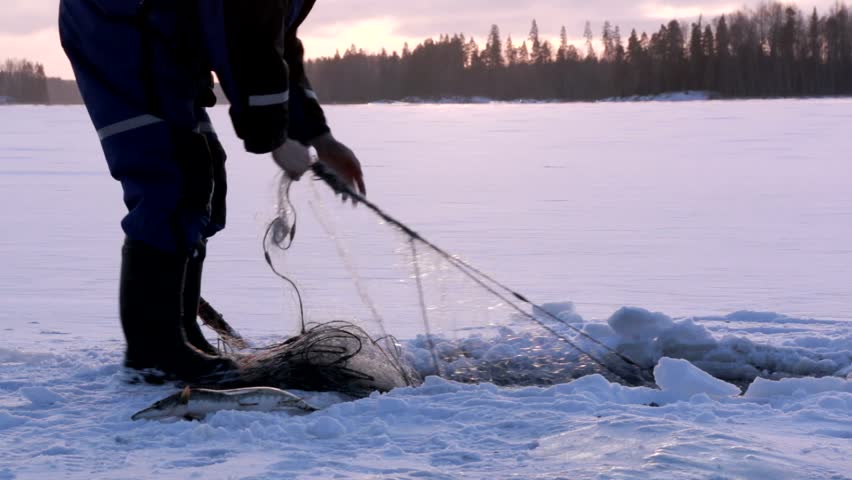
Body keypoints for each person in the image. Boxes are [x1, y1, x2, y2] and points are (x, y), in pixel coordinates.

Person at [58, 0, 365, 382]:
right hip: (119, 30)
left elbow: (274, 42)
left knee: (204, 174)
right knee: (171, 176)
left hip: (164, 40)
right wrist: (274, 137)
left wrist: (320, 136)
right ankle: (153, 350)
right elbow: (245, 31)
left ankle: (180, 334)